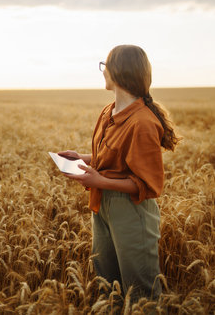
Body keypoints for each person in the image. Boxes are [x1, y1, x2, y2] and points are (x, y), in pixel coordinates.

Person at [58, 45, 179, 301]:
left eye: (106, 65)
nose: (103, 71)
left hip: (132, 211)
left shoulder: (143, 122)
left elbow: (148, 185)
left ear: (120, 72)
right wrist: (83, 158)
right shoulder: (108, 112)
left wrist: (98, 179)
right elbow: (112, 158)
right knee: (108, 285)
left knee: (141, 293)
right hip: (102, 204)